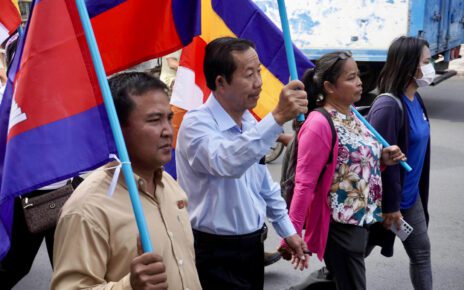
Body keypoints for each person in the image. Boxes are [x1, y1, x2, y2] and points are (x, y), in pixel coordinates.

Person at [176, 37, 309, 289]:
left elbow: (264, 185)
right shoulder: (197, 124)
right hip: (214, 253)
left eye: (258, 72)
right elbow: (228, 163)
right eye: (249, 75)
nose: (258, 83)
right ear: (220, 82)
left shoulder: (248, 122)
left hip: (251, 249)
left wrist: (287, 230)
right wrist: (278, 116)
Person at [51, 72, 202, 290]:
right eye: (154, 120)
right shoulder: (87, 209)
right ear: (118, 130)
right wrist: (129, 286)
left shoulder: (169, 184)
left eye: (168, 118)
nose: (168, 131)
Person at [279, 51, 405, 290]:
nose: (359, 82)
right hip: (339, 226)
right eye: (350, 77)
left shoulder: (354, 114)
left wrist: (383, 160)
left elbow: (352, 169)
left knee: (336, 281)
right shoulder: (318, 123)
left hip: (362, 221)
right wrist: (291, 233)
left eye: (358, 75)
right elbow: (303, 184)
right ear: (329, 86)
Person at [367, 36, 433, 290]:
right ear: (409, 66)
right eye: (426, 62)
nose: (430, 68)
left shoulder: (417, 100)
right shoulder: (388, 106)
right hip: (385, 203)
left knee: (421, 254)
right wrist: (390, 206)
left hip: (409, 197)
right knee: (354, 254)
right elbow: (379, 163)